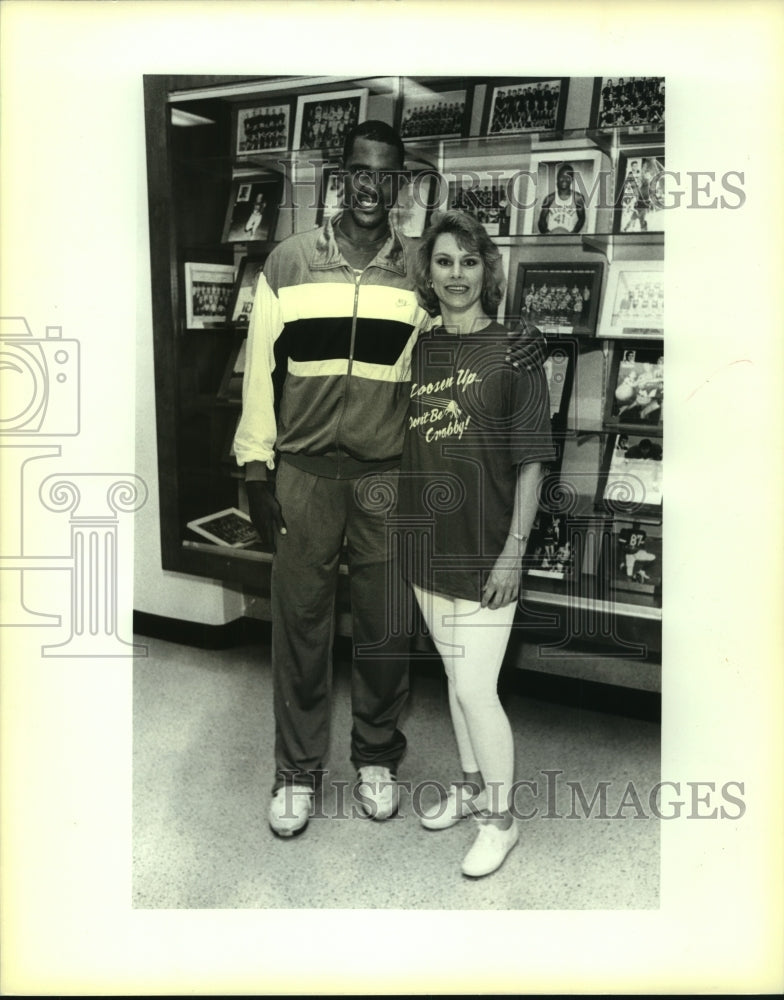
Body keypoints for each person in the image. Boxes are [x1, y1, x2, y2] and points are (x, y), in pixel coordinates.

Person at [234, 121, 546, 841]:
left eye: (389, 176)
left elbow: (472, 324)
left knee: (384, 629)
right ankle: (296, 774)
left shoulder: (416, 272)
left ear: (402, 185)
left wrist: (526, 337)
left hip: (386, 477)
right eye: (360, 174)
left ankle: (377, 758)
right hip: (304, 474)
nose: (373, 188)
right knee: (301, 627)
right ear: (341, 178)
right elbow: (259, 372)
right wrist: (255, 460)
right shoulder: (286, 262)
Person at [397, 210, 555, 878]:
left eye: (469, 261)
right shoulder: (420, 345)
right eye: (443, 261)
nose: (456, 274)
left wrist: (515, 551)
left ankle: (502, 819)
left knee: (474, 685)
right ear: (427, 272)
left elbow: (533, 463)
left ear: (486, 269)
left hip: (489, 545)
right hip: (425, 538)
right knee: (454, 682)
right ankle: (470, 788)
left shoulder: (516, 348)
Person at [537, 162, 586, 235]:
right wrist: (547, 233)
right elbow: (541, 220)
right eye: (561, 176)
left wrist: (573, 233)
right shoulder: (550, 198)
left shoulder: (577, 198)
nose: (564, 179)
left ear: (572, 179)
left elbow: (581, 219)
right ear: (557, 178)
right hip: (552, 237)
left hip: (568, 237)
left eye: (568, 177)